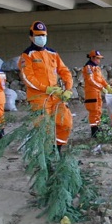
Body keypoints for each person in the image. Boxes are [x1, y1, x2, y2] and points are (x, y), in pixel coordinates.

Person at [18, 21, 74, 150]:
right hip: (39, 98)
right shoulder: (27, 55)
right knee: (45, 128)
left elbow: (65, 71)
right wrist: (46, 89)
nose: (41, 38)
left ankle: (57, 150)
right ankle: (47, 156)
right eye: (38, 35)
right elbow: (28, 78)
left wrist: (68, 89)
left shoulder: (52, 53)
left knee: (65, 122)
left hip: (56, 96)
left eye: (43, 35)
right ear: (31, 37)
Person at [82, 50, 112, 138]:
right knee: (93, 111)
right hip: (91, 92)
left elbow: (101, 79)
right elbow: (90, 80)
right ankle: (94, 132)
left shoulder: (97, 68)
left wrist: (107, 86)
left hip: (96, 92)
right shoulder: (88, 67)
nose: (99, 60)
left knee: (98, 111)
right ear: (92, 58)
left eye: (100, 59)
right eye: (97, 58)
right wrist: (101, 87)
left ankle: (97, 129)